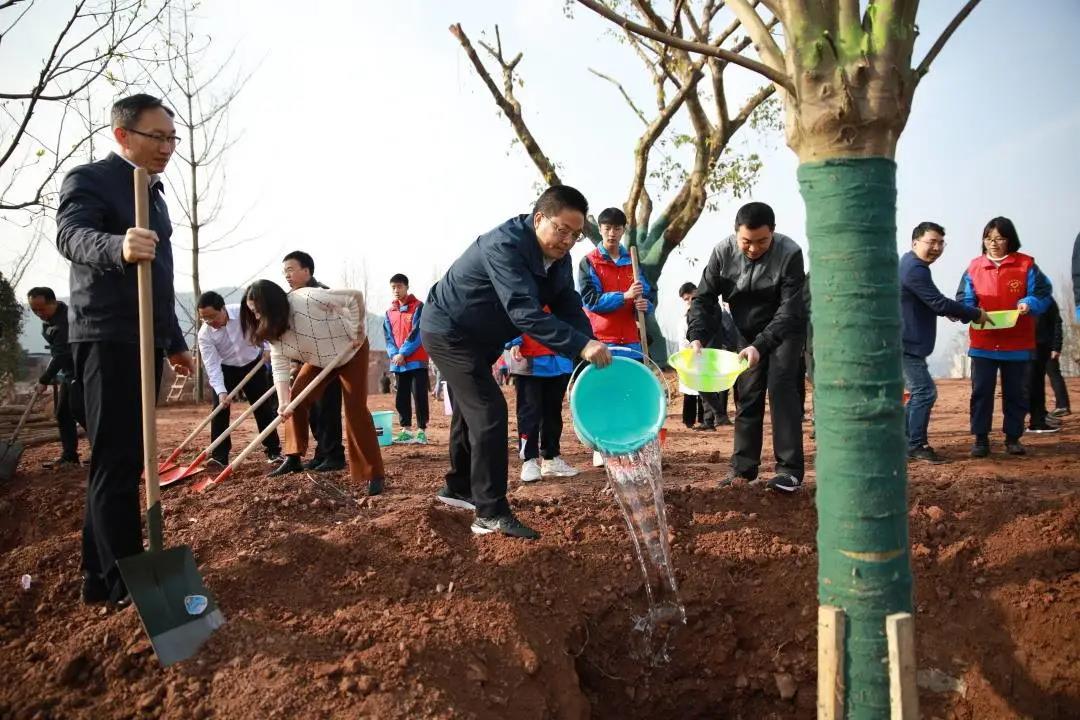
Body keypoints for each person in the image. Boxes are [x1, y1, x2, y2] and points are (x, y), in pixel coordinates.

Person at [55, 94, 194, 605]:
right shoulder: (89, 179)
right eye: (157, 137)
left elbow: (161, 277)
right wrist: (117, 246)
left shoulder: (155, 196)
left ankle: (99, 576)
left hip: (144, 338)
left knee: (124, 458)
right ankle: (124, 581)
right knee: (115, 460)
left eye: (172, 138)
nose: (167, 147)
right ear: (123, 135)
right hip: (106, 335)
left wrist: (173, 340)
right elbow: (71, 235)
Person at [420, 185, 611, 540]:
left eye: (575, 234)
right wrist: (580, 346)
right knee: (489, 411)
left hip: (481, 338)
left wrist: (590, 342)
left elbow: (568, 303)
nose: (567, 240)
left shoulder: (557, 260)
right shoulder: (504, 246)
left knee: (470, 410)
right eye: (561, 229)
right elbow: (524, 311)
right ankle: (490, 512)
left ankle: (458, 487)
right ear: (539, 219)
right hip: (449, 329)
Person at [688, 201, 806, 493]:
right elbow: (704, 299)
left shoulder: (790, 253)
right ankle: (743, 469)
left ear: (773, 233)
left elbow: (791, 309)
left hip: (783, 329)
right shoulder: (722, 253)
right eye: (746, 242)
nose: (753, 249)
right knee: (747, 394)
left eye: (762, 241)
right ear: (735, 234)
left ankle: (789, 471)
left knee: (781, 389)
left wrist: (762, 345)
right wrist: (697, 334)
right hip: (746, 331)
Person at [242, 280, 385, 495]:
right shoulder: (271, 331)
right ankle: (293, 458)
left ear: (272, 305)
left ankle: (372, 473)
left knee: (355, 410)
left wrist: (357, 330)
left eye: (258, 311)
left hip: (350, 350)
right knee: (295, 402)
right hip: (319, 360)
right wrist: (283, 403)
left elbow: (354, 296)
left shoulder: (306, 298)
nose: (256, 317)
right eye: (252, 312)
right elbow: (279, 368)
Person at [957, 217, 1052, 457]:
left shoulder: (1026, 264)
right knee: (981, 392)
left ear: (1010, 239)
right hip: (983, 343)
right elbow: (964, 300)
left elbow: (1043, 292)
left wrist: (1028, 303)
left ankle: (1013, 438)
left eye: (999, 238)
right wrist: (970, 311)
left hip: (1017, 342)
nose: (994, 243)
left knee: (1016, 393)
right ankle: (980, 439)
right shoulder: (974, 267)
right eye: (989, 238)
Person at [899, 222, 988, 463]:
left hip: (905, 341)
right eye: (931, 242)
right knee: (924, 392)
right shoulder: (914, 268)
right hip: (904, 343)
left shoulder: (911, 264)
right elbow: (938, 302)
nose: (937, 248)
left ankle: (905, 442)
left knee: (920, 392)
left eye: (941, 243)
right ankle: (915, 444)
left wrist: (949, 309)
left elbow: (932, 301)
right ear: (915, 242)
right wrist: (974, 313)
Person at [577, 207, 654, 466]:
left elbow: (646, 296)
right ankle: (601, 444)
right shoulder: (589, 261)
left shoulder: (633, 260)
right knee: (603, 392)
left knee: (630, 391)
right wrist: (625, 297)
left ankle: (631, 442)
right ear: (600, 229)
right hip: (601, 340)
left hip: (631, 340)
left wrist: (643, 305)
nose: (612, 233)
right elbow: (591, 301)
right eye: (607, 228)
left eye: (617, 228)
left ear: (623, 231)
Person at [195, 291, 282, 466]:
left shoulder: (243, 312)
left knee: (262, 406)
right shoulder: (205, 334)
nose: (210, 322)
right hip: (226, 368)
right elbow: (211, 365)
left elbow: (262, 326)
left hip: (253, 363)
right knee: (219, 409)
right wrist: (221, 391)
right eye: (205, 319)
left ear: (223, 309)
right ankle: (220, 456)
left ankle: (273, 451)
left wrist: (266, 347)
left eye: (212, 317)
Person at [281, 251, 346, 472]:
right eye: (284, 272)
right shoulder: (289, 299)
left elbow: (342, 322)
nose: (287, 275)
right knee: (304, 407)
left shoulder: (324, 294)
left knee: (326, 407)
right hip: (304, 360)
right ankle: (317, 453)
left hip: (330, 359)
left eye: (290, 270)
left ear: (306, 271)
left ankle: (334, 454)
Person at [507, 309, 579, 483]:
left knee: (553, 413)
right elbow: (511, 308)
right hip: (529, 357)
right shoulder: (522, 284)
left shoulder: (561, 286)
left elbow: (572, 311)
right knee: (528, 413)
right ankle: (529, 461)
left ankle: (551, 458)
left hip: (559, 357)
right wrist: (514, 340)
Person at [26, 286, 81, 465]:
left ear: (53, 302)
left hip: (83, 371)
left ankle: (104, 453)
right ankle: (69, 457)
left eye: (41, 309)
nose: (38, 313)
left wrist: (44, 379)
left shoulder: (67, 320)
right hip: (68, 372)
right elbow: (57, 353)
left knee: (82, 412)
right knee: (63, 413)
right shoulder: (49, 320)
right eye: (34, 310)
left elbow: (62, 354)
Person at [384, 273, 430, 444]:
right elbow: (388, 337)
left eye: (399, 286)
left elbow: (417, 333)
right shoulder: (389, 312)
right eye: (393, 287)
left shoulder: (418, 307)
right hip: (398, 363)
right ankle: (406, 430)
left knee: (419, 395)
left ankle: (421, 431)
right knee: (401, 396)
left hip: (416, 360)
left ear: (407, 287)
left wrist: (403, 352)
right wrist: (395, 355)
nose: (396, 290)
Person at [1027, 298, 1063, 434]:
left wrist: (1056, 346)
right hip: (1021, 345)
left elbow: (1056, 322)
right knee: (1029, 383)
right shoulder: (1014, 294)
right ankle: (1035, 419)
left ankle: (1038, 419)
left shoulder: (1045, 298)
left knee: (1036, 383)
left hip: (1041, 345)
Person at [1045, 298, 1071, 418]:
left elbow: (1057, 323)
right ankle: (1037, 410)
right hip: (1030, 346)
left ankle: (1063, 406)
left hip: (1048, 346)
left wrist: (1056, 347)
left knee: (1054, 374)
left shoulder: (1047, 300)